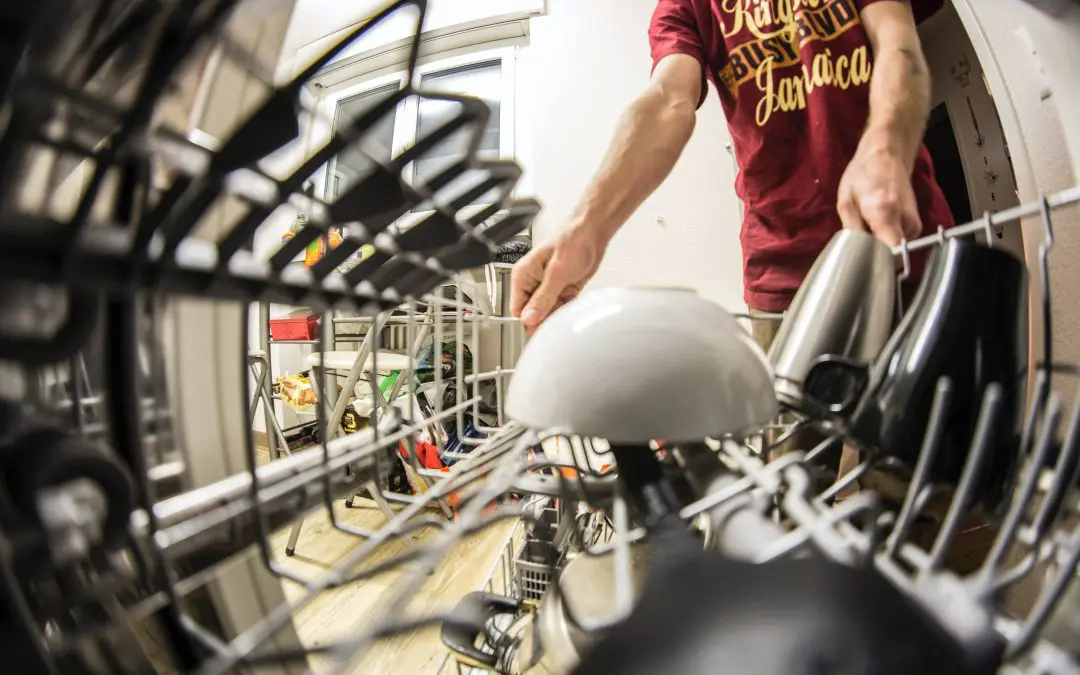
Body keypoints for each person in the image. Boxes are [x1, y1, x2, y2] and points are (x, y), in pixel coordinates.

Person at [510, 0, 993, 570]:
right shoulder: (683, 9)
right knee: (787, 495)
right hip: (783, 280)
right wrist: (585, 230)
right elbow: (669, 99)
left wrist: (885, 143)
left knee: (915, 497)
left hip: (903, 244)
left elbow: (899, 43)